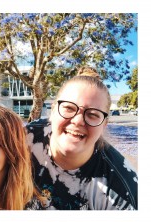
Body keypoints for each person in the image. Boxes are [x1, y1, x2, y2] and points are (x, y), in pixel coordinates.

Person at [26, 66, 138, 210]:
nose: (78, 121)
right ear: (53, 111)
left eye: (92, 114)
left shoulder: (122, 192)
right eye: (69, 108)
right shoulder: (23, 139)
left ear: (104, 124)